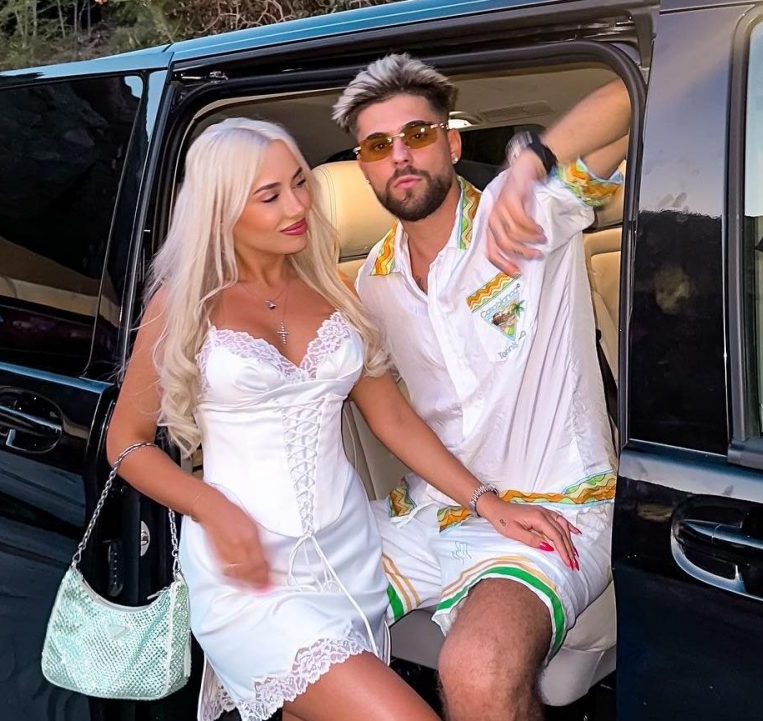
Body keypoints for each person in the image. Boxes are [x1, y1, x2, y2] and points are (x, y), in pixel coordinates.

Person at [105, 118, 580, 721]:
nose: (297, 205)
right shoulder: (182, 304)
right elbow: (125, 442)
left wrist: (488, 503)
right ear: (222, 210)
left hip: (348, 557)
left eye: (300, 183)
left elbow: (393, 420)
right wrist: (211, 508)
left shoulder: (332, 291)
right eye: (270, 195)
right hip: (249, 576)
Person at [333, 55, 631, 720]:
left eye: (417, 135)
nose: (399, 156)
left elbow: (637, 91)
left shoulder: (525, 213)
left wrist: (531, 164)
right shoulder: (372, 283)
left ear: (451, 143)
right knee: (289, 628)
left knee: (478, 668)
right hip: (431, 512)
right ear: (363, 166)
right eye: (378, 145)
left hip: (554, 508)